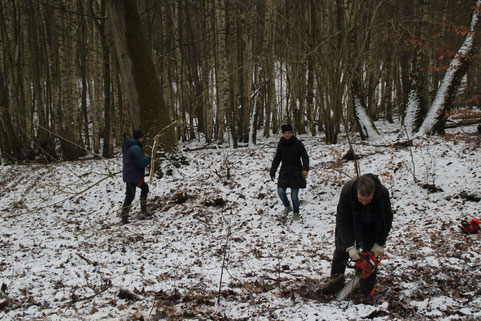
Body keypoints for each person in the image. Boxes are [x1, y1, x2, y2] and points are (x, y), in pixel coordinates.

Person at [323, 174, 393, 300]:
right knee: (341, 249)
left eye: (368, 200)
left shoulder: (382, 194)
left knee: (369, 256)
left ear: (373, 194)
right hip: (350, 220)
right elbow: (342, 219)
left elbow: (386, 219)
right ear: (357, 193)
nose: (364, 203)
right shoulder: (347, 191)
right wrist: (350, 246)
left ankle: (366, 291)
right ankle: (336, 281)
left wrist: (379, 243)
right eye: (361, 200)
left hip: (370, 223)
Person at [269, 124, 309, 221]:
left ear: (292, 133)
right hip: (284, 173)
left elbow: (305, 157)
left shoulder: (298, 143)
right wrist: (273, 170)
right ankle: (287, 207)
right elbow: (277, 159)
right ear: (282, 134)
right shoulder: (281, 144)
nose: (287, 135)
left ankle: (296, 213)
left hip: (296, 173)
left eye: (289, 132)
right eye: (285, 133)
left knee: (294, 195)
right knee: (280, 191)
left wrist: (305, 168)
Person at [121, 129, 152, 224]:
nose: (143, 139)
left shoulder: (129, 146)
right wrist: (149, 159)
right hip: (132, 176)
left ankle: (143, 211)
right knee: (130, 196)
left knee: (144, 187)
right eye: (142, 137)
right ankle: (124, 218)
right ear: (140, 137)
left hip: (132, 174)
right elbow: (141, 163)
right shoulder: (135, 148)